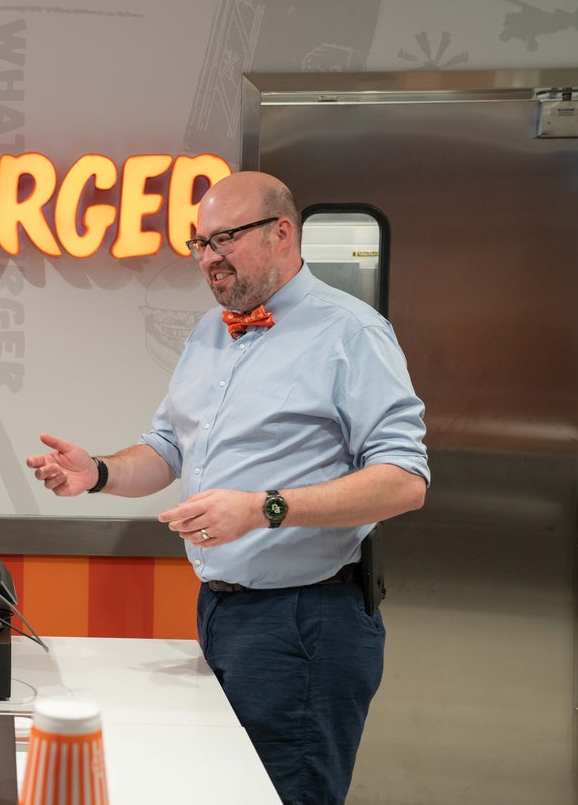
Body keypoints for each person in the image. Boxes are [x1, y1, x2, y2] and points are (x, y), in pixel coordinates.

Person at [24, 171, 429, 804]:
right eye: (200, 242)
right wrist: (97, 472)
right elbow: (168, 450)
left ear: (282, 233)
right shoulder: (212, 332)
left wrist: (265, 509)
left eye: (225, 239)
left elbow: (404, 481)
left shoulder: (351, 333)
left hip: (306, 622)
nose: (209, 258)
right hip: (221, 612)